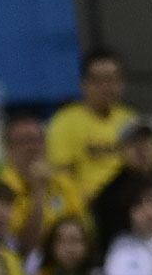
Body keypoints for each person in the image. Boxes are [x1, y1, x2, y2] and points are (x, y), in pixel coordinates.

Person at [47, 50, 135, 203]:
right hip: (86, 203)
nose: (106, 87)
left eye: (111, 79)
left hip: (128, 201)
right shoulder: (65, 122)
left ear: (121, 83)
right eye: (98, 80)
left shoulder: (130, 119)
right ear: (83, 84)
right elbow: (62, 174)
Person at [92, 120, 152, 251]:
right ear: (122, 151)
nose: (141, 149)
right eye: (134, 143)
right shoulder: (110, 194)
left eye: (146, 142)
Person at [0, 114, 85, 256]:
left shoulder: (64, 183)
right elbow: (24, 248)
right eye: (23, 141)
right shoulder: (2, 191)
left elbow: (82, 234)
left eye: (36, 140)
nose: (32, 147)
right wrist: (38, 194)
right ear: (8, 150)